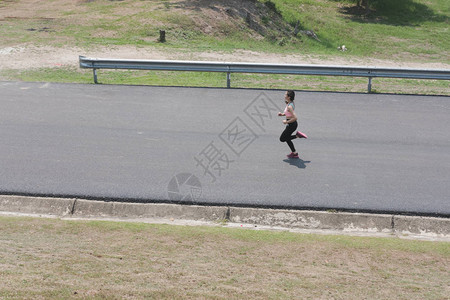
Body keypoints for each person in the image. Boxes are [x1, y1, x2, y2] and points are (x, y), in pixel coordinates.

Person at [278, 90, 307, 158]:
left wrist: (286, 122)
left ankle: (297, 136)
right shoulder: (289, 103)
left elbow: (295, 117)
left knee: (282, 139)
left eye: (285, 94)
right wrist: (282, 114)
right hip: (292, 124)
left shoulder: (289, 106)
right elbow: (288, 113)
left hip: (292, 125)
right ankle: (295, 153)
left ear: (289, 96)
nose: (284, 95)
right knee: (287, 139)